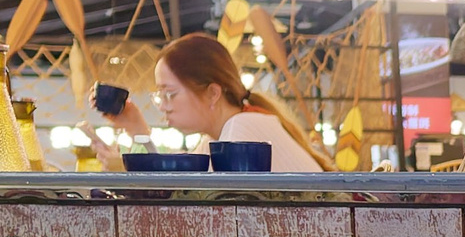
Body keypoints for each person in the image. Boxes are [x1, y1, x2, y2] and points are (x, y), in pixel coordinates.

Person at [100, 32, 325, 171]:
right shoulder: (217, 137)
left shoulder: (241, 129)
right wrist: (136, 128)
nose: (162, 104)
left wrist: (124, 166)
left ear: (212, 93)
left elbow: (199, 207)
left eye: (170, 93)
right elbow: (176, 193)